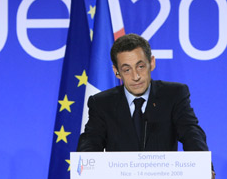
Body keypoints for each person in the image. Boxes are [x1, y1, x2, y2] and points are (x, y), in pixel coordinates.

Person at [77, 33, 214, 178]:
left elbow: (191, 133)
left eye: (140, 66)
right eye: (127, 69)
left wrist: (203, 167)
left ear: (152, 63)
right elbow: (91, 140)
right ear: (117, 72)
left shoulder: (173, 94)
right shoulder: (102, 103)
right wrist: (85, 170)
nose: (136, 76)